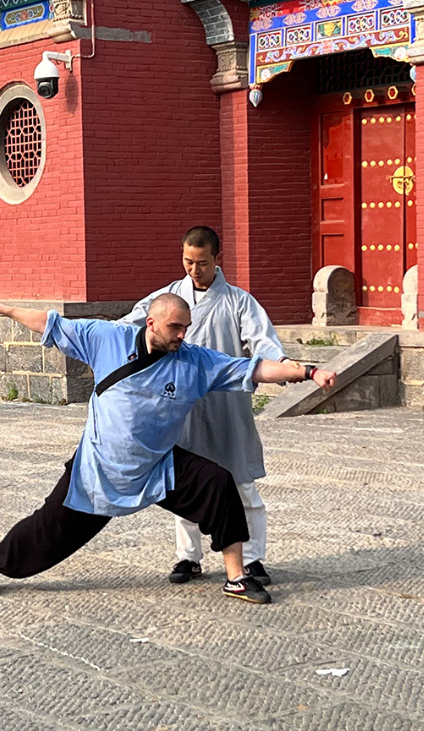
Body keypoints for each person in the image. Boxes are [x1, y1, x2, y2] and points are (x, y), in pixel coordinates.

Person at [0, 294, 335, 604]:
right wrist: (4, 309)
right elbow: (51, 323)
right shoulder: (107, 339)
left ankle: (236, 577)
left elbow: (252, 369)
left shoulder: (194, 361)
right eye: (175, 327)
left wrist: (307, 372)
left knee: (217, 482)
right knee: (49, 529)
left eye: (186, 327)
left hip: (158, 465)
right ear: (151, 323)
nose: (182, 335)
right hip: (100, 468)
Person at [120, 226, 287, 587]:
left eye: (202, 263)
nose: (194, 270)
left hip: (226, 403)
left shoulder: (238, 301)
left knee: (241, 483)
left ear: (217, 259)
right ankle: (188, 556)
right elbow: (129, 327)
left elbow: (262, 339)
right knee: (186, 482)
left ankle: (253, 558)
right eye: (188, 262)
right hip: (179, 401)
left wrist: (282, 365)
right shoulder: (168, 298)